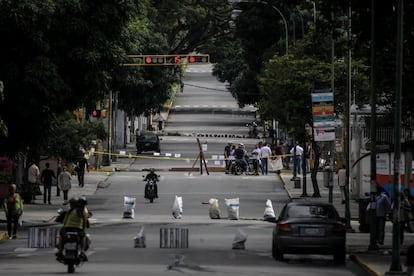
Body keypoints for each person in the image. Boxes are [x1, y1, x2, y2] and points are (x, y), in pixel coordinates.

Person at [56, 197, 90, 262]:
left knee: (61, 236)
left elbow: (65, 220)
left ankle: (60, 250)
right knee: (83, 237)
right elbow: (85, 221)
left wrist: (65, 225)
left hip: (67, 228)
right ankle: (82, 251)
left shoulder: (70, 211)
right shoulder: (83, 212)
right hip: (78, 229)